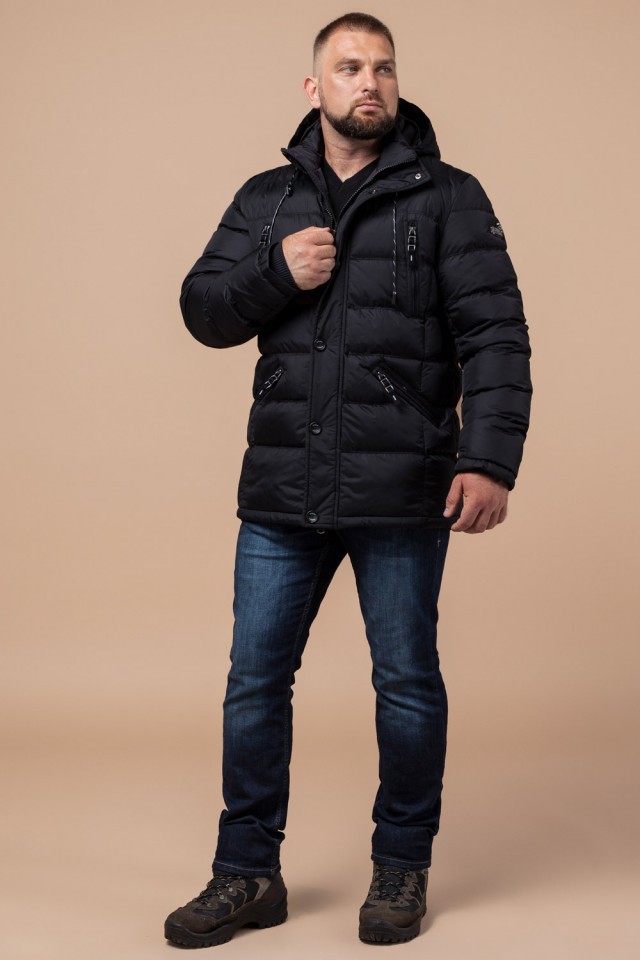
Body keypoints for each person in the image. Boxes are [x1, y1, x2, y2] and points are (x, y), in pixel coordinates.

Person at [165, 11, 532, 949]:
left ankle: (401, 867)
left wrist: (487, 460)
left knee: (405, 682)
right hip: (282, 491)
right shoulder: (267, 200)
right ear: (314, 87)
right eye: (349, 67)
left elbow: (496, 335)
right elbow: (203, 310)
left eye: (383, 68)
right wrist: (273, 273)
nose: (369, 82)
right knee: (254, 683)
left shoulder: (449, 197)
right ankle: (247, 873)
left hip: (404, 489)